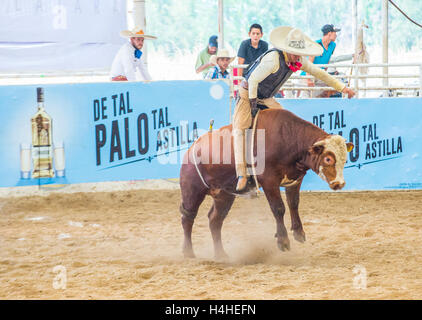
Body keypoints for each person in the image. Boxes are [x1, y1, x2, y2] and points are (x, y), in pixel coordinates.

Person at [233, 26, 355, 192]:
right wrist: (253, 105)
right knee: (240, 128)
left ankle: (281, 164)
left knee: (284, 121)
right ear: (286, 50)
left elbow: (319, 73)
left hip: (266, 97)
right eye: (294, 52)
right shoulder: (273, 60)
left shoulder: (298, 61)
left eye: (299, 53)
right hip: (247, 94)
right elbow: (253, 80)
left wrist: (342, 88)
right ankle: (242, 174)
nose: (297, 56)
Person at [299, 24, 341, 97]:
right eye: (335, 33)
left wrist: (324, 73)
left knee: (334, 86)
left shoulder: (333, 45)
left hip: (320, 74)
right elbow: (309, 63)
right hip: (309, 74)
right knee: (306, 94)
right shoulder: (316, 44)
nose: (336, 35)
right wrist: (308, 79)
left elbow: (327, 59)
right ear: (329, 33)